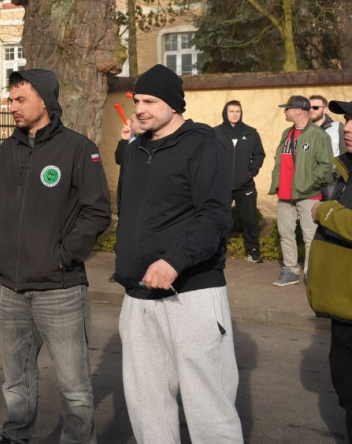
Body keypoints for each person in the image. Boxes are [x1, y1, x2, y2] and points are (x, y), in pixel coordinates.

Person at [114, 64, 242, 443]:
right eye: (137, 101)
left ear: (173, 104)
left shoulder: (204, 143)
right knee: (147, 410)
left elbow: (215, 214)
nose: (140, 109)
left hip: (193, 293)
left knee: (209, 411)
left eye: (150, 101)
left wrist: (174, 260)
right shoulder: (136, 149)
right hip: (138, 295)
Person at [0, 69, 111, 444]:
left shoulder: (78, 148)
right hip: (12, 288)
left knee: (74, 385)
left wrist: (63, 256)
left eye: (20, 99)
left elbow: (97, 212)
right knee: (16, 379)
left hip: (59, 288)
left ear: (45, 100)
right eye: (10, 100)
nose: (13, 107)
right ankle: (16, 435)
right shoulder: (8, 149)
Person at [307, 92, 352, 442]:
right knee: (351, 404)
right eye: (347, 120)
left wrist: (325, 212)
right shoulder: (348, 171)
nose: (348, 127)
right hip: (343, 317)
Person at [268, 94, 333, 286]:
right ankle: (291, 270)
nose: (284, 111)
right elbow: (280, 160)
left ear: (298, 111)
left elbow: (326, 165)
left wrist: (308, 184)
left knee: (310, 236)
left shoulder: (318, 135)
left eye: (287, 108)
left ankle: (312, 273)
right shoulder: (286, 133)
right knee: (285, 233)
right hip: (285, 194)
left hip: (308, 194)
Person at [213, 100, 266, 263]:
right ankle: (217, 252)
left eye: (238, 111)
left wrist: (252, 170)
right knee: (219, 220)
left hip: (245, 186)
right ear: (225, 113)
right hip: (222, 186)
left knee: (249, 220)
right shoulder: (215, 132)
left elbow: (259, 154)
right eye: (232, 111)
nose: (235, 114)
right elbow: (208, 155)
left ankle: (253, 250)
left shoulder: (251, 133)